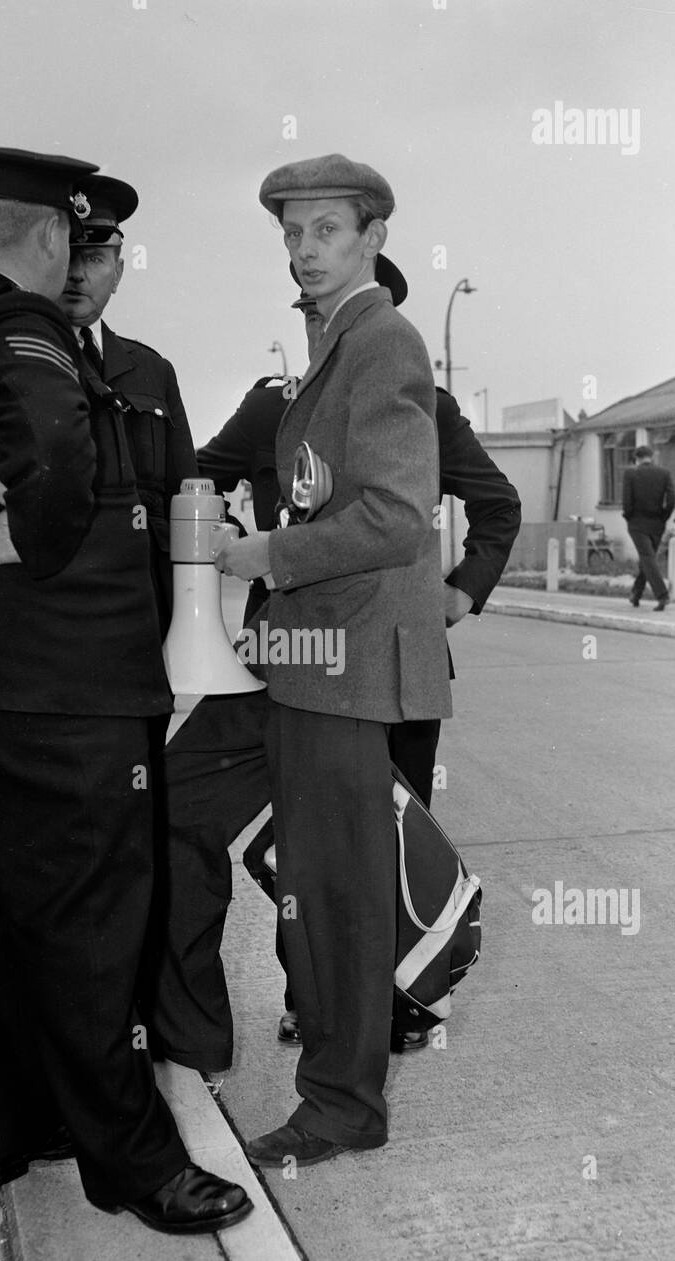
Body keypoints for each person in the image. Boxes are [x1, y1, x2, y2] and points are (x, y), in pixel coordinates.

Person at [0, 145, 249, 1234]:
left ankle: (17, 1120)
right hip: (54, 689)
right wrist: (35, 533)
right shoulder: (18, 327)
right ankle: (135, 1164)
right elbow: (55, 449)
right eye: (72, 237)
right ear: (48, 235)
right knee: (92, 927)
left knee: (4, 916)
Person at [147, 255, 520, 1074]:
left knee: (378, 847)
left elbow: (498, 505)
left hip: (392, 666)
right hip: (285, 658)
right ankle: (288, 1004)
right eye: (311, 310)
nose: (322, 326)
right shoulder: (272, 406)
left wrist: (459, 595)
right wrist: (219, 546)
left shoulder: (423, 401)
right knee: (280, 839)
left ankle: (395, 1006)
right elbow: (189, 486)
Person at [212, 153, 452, 1167]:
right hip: (300, 656)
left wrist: (268, 552)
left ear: (374, 237)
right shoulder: (329, 343)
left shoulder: (383, 341)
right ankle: (180, 1029)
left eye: (325, 231)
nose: (303, 249)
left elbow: (396, 516)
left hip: (348, 665)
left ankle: (344, 1103)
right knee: (197, 811)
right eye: (292, 232)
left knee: (338, 892)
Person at [58, 176, 199, 636]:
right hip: (56, 614)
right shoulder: (18, 358)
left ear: (117, 274)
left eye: (95, 258)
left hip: (144, 618)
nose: (78, 273)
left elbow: (186, 501)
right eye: (68, 255)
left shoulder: (153, 372)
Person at [622, 444, 675, 610]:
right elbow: (672, 499)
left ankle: (662, 595)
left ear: (637, 458)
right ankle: (635, 594)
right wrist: (664, 516)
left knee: (647, 558)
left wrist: (629, 516)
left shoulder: (630, 473)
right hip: (657, 523)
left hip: (637, 523)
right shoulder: (664, 473)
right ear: (651, 457)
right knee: (648, 558)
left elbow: (627, 500)